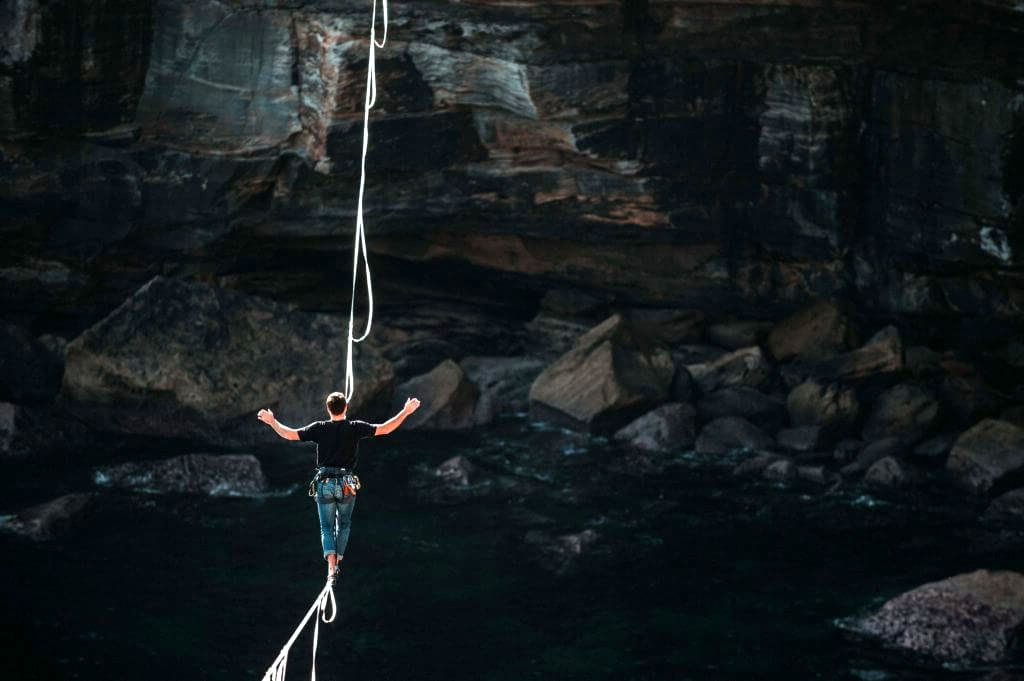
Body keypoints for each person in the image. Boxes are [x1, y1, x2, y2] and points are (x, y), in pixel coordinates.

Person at [257, 392, 421, 582]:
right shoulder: (355, 427)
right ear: (346, 408)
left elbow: (290, 434)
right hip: (346, 484)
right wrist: (405, 412)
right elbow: (385, 428)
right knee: (343, 524)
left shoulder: (319, 428)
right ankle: (338, 560)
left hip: (325, 482)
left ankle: (331, 567)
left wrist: (272, 422)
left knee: (326, 527)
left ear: (328, 409)